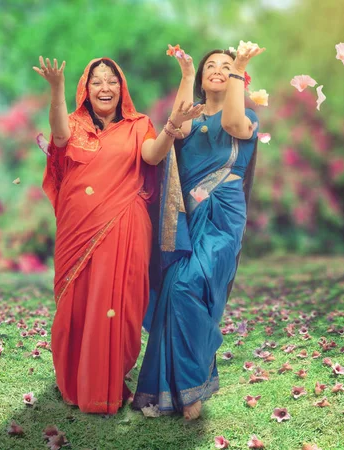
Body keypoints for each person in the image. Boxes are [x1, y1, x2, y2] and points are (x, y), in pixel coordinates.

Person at [33, 56, 202, 415]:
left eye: (111, 80)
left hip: (126, 225)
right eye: (97, 81)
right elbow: (59, 135)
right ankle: (78, 384)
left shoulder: (139, 124)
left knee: (121, 306)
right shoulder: (75, 124)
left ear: (121, 87)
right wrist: (56, 87)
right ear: (86, 89)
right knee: (76, 307)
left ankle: (108, 382)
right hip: (77, 230)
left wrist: (172, 126)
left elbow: (153, 157)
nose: (105, 87)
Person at [132, 43, 265, 420]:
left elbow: (231, 125)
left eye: (226, 66)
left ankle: (189, 386)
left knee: (192, 285)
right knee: (175, 291)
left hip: (222, 218)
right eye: (212, 65)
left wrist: (239, 67)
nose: (218, 70)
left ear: (237, 76)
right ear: (204, 78)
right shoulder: (191, 117)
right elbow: (175, 126)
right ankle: (178, 389)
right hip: (185, 220)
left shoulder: (248, 116)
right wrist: (187, 74)